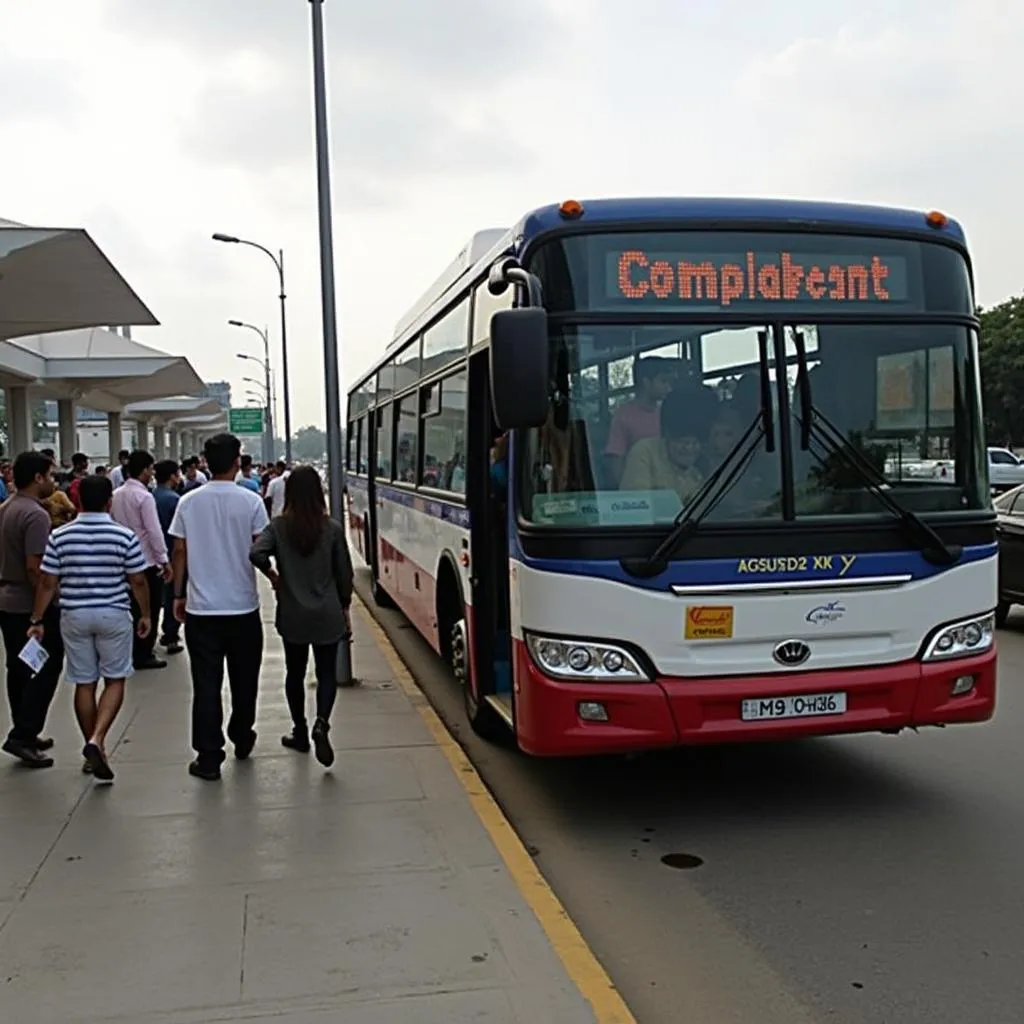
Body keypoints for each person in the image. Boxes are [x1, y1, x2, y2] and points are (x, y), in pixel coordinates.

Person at [28, 475, 151, 781]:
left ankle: (92, 745)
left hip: (75, 615)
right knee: (114, 680)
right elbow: (137, 579)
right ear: (109, 502)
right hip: (113, 614)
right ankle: (98, 739)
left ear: (78, 500)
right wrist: (146, 613)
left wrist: (37, 619)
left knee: (84, 683)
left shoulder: (60, 536)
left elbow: (47, 582)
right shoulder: (123, 535)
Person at [169, 433, 269, 781]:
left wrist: (179, 594)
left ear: (205, 462)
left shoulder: (189, 502)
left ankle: (208, 757)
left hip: (202, 611)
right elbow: (261, 548)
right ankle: (242, 735)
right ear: (238, 460)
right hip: (243, 608)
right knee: (245, 679)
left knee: (206, 684)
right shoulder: (251, 501)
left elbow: (179, 551)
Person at [250, 466, 352, 767]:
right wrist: (344, 605)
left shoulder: (279, 527)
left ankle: (300, 730)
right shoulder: (331, 528)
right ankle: (322, 722)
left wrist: (273, 575)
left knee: (294, 673)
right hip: (327, 613)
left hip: (293, 614)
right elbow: (344, 573)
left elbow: (256, 553)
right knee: (326, 674)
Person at [0, 451, 65, 767]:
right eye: (50, 475)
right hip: (29, 604)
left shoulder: (6, 507)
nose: (53, 481)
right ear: (38, 478)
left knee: (20, 667)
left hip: (7, 600)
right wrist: (43, 608)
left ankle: (24, 727)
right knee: (46, 666)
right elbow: (34, 567)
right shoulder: (36, 515)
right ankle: (23, 734)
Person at [111, 450, 171, 670]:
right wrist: (164, 560)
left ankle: (130, 648)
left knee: (129, 608)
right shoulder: (144, 497)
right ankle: (144, 652)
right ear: (145, 470)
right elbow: (153, 531)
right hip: (145, 561)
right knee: (150, 607)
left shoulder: (116, 494)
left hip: (121, 560)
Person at [620, 387, 707, 503]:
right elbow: (636, 506)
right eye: (682, 442)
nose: (689, 448)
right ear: (666, 435)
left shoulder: (699, 472)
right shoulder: (644, 453)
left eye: (695, 443)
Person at [603, 357, 676, 485]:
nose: (668, 388)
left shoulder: (667, 413)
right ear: (646, 382)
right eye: (663, 381)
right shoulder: (624, 416)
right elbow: (616, 460)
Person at [152, 459, 184, 654]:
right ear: (173, 476)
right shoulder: (174, 500)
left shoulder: (150, 496)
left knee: (155, 596)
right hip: (171, 553)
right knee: (173, 593)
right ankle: (170, 634)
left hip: (151, 555)